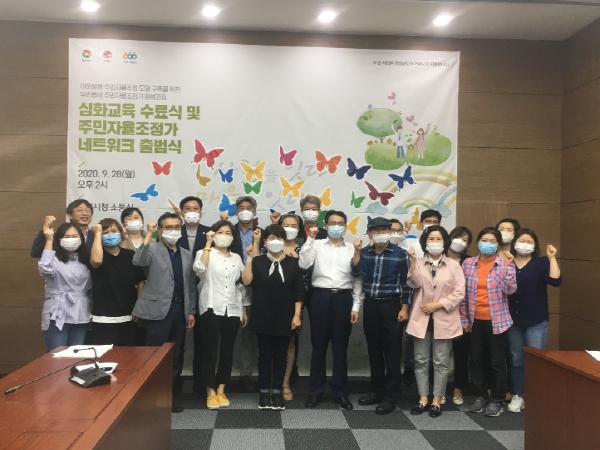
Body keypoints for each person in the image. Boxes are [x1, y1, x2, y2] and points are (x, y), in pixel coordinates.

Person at [132, 213, 197, 413]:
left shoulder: (186, 254)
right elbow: (138, 261)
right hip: (157, 311)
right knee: (153, 355)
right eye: (168, 227)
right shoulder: (152, 248)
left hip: (180, 311)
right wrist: (148, 236)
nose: (173, 231)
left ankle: (169, 397)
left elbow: (190, 285)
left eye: (177, 227)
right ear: (160, 230)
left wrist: (191, 311)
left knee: (175, 356)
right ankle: (150, 398)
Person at [299, 210, 363, 410]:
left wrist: (356, 306)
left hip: (343, 299)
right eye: (332, 223)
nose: (336, 226)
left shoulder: (352, 248)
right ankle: (315, 391)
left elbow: (357, 279)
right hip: (320, 297)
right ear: (325, 226)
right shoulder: (316, 244)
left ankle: (340, 392)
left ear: (345, 226)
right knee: (318, 347)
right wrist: (310, 239)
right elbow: (303, 264)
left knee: (340, 348)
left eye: (340, 223)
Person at [351, 217, 411, 415]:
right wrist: (356, 252)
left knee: (392, 351)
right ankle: (376, 391)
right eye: (376, 231)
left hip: (391, 306)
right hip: (371, 305)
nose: (380, 234)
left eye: (384, 230)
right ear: (369, 234)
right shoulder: (365, 252)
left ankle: (391, 396)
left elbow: (407, 284)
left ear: (390, 232)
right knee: (374, 350)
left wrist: (404, 308)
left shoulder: (400, 254)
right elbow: (355, 271)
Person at [242, 224, 304, 410]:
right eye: (271, 238)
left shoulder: (293, 262)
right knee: (264, 356)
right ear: (265, 242)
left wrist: (297, 316)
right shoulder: (258, 261)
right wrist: (250, 256)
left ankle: (277, 392)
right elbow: (246, 281)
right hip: (262, 315)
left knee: (281, 356)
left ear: (284, 241)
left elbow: (298, 293)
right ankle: (263, 392)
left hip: (285, 316)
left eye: (279, 238)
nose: (275, 241)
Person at [406, 225, 465, 418]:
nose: (435, 242)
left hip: (444, 319)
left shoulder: (454, 265)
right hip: (421, 319)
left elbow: (459, 293)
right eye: (431, 239)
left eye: (438, 239)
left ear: (445, 242)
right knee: (420, 361)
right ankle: (423, 398)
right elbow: (413, 283)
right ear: (425, 242)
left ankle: (437, 400)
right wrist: (413, 262)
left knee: (441, 362)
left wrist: (438, 305)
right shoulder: (418, 262)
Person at [461, 227, 517, 417]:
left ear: (498, 245)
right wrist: (464, 319)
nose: (488, 244)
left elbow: (510, 290)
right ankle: (480, 395)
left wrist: (508, 267)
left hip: (497, 321)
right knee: (476, 360)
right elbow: (463, 294)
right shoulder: (468, 263)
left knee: (496, 362)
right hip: (474, 320)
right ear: (478, 242)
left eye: (493, 241)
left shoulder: (505, 264)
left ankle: (497, 399)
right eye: (485, 240)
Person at [193, 220, 249, 410]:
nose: (224, 236)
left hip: (232, 308)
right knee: (209, 351)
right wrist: (208, 244)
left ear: (233, 237)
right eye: (220, 232)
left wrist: (243, 308)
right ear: (213, 233)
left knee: (227, 351)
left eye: (228, 233)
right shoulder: (204, 253)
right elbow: (199, 270)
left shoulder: (237, 258)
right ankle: (210, 391)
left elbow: (240, 285)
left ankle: (221, 389)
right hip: (211, 307)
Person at [506, 228, 561, 413]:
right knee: (516, 359)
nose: (524, 244)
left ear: (535, 245)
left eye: (529, 241)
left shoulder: (541, 262)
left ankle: (535, 395)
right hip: (512, 320)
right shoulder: (507, 261)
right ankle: (518, 394)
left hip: (536, 320)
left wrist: (552, 258)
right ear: (514, 243)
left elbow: (555, 281)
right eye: (521, 240)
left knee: (536, 360)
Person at [173, 196, 210, 393]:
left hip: (204, 291)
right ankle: (174, 383)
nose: (192, 212)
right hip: (179, 292)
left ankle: (200, 383)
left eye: (196, 208)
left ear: (201, 211)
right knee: (176, 342)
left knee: (203, 341)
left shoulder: (210, 233)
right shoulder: (172, 231)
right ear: (181, 212)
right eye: (188, 208)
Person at [88, 219, 146, 345]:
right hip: (103, 319)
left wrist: (139, 306)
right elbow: (96, 261)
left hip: (128, 317)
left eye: (114, 231)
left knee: (128, 355)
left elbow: (140, 281)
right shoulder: (96, 255)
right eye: (105, 233)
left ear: (121, 233)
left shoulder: (130, 255)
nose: (110, 235)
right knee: (105, 356)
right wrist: (97, 233)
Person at [38, 221, 92, 351]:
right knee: (57, 356)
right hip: (58, 312)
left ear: (81, 239)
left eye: (74, 236)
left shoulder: (86, 259)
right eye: (67, 237)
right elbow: (44, 269)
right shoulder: (53, 257)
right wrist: (49, 240)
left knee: (75, 356)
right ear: (59, 239)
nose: (71, 239)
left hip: (81, 313)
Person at [228, 196, 263, 392]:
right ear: (236, 211)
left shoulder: (262, 234)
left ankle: (247, 375)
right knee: (231, 331)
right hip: (231, 286)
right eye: (241, 207)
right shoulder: (227, 231)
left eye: (248, 207)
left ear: (255, 211)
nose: (245, 211)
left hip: (258, 287)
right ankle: (223, 375)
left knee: (251, 333)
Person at [277, 213, 305, 401]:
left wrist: (297, 260)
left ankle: (285, 383)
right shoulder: (269, 245)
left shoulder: (305, 248)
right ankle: (271, 382)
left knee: (290, 344)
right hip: (271, 301)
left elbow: (310, 272)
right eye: (285, 225)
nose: (289, 228)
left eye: (293, 225)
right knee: (269, 344)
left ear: (299, 228)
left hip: (295, 301)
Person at [447, 226, 473, 406]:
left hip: (462, 314)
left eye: (465, 240)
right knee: (438, 353)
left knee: (461, 353)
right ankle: (436, 388)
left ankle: (458, 387)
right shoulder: (439, 257)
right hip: (439, 310)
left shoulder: (469, 262)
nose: (460, 242)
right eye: (458, 237)